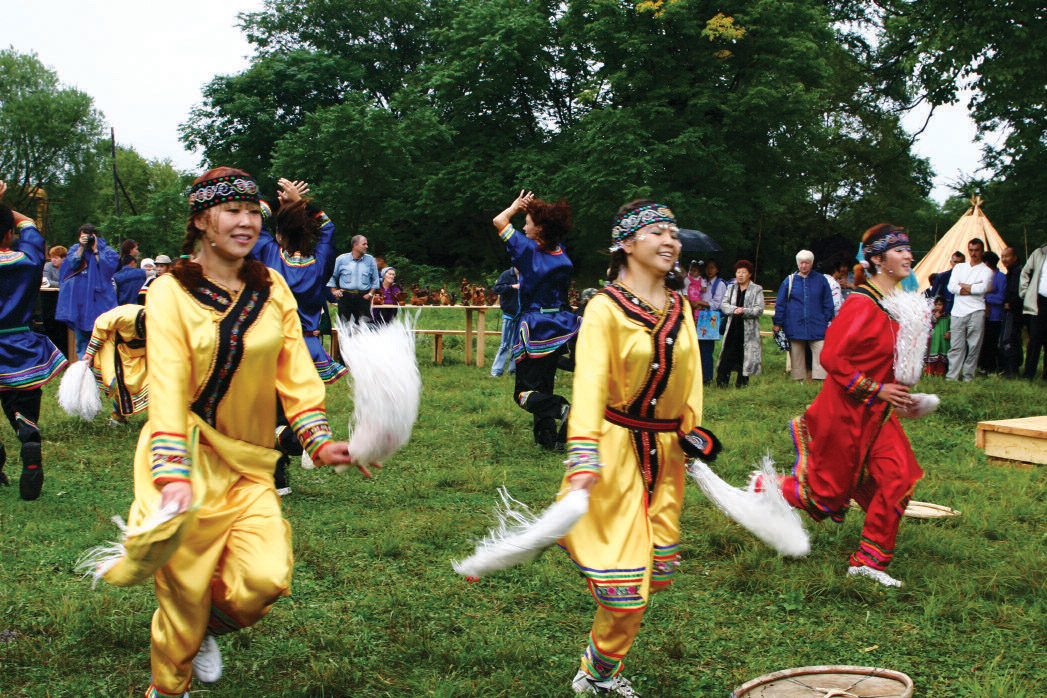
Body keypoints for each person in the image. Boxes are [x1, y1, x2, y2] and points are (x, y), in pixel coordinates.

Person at [126, 166, 360, 698]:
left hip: (251, 464)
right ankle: (168, 688)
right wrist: (171, 473)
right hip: (187, 458)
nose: (247, 222)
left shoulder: (271, 285)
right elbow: (164, 381)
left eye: (254, 212)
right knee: (183, 593)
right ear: (203, 221)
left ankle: (204, 623)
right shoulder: (169, 292)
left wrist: (318, 439)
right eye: (233, 211)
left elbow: (295, 365)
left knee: (264, 581)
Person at [557, 199, 703, 696]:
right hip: (614, 450)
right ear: (626, 242)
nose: (670, 241)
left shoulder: (681, 308)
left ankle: (599, 667)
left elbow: (692, 376)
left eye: (674, 233)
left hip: (667, 454)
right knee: (625, 589)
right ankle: (596, 673)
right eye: (657, 231)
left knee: (657, 571)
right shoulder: (604, 307)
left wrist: (692, 431)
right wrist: (583, 453)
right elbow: (590, 383)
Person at [758, 224, 923, 588]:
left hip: (876, 416)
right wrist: (877, 389)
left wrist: (905, 397)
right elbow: (832, 358)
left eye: (908, 248)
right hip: (844, 413)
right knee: (825, 497)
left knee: (899, 479)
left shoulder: (895, 305)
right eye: (899, 250)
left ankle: (868, 562)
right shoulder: (861, 303)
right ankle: (766, 489)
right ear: (878, 260)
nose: (908, 255)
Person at [492, 191, 580, 450]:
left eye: (528, 222)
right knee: (544, 384)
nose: (523, 226)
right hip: (561, 324)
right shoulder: (561, 252)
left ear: (539, 229)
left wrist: (514, 206)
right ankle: (549, 439)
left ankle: (565, 409)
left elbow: (499, 221)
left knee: (523, 394)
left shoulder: (528, 250)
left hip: (534, 327)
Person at [0, 181, 69, 500]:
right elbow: (31, 228)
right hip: (20, 344)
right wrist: (7, 210)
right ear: (8, 234)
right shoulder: (26, 260)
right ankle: (27, 432)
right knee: (22, 403)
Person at [56, 223, 119, 357]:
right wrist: (81, 247)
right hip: (80, 302)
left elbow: (108, 270)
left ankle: (103, 369)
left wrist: (96, 250)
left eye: (88, 237)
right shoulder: (76, 249)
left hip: (100, 301)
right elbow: (71, 265)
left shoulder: (107, 251)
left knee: (103, 338)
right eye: (83, 237)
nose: (86, 240)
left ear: (95, 236)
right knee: (82, 340)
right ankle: (84, 371)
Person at [772, 250, 834, 381]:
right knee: (797, 353)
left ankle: (820, 379)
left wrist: (826, 318)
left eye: (807, 263)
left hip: (817, 324)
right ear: (797, 263)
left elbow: (828, 301)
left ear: (811, 264)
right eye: (801, 263)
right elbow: (780, 303)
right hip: (795, 323)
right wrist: (777, 322)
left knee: (820, 351)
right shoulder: (789, 280)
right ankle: (799, 379)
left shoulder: (821, 280)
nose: (804, 266)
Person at [946, 238, 993, 381]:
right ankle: (952, 376)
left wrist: (964, 285)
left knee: (974, 345)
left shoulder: (987, 271)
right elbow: (951, 286)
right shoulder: (959, 267)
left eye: (976, 250)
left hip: (977, 310)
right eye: (971, 250)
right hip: (958, 311)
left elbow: (983, 288)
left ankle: (968, 376)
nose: (973, 253)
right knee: (956, 346)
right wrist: (971, 287)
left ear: (982, 251)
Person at [715, 260, 764, 388]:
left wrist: (744, 311)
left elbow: (759, 309)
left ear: (749, 274)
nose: (740, 275)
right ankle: (721, 383)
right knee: (727, 353)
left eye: (743, 272)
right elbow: (723, 305)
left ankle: (742, 384)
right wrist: (733, 310)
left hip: (747, 329)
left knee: (745, 355)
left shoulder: (757, 289)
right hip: (732, 326)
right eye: (738, 272)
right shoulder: (731, 287)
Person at [327, 235, 380, 324]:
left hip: (363, 297)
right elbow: (332, 276)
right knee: (345, 325)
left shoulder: (370, 260)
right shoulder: (341, 259)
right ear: (355, 245)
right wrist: (334, 291)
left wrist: (370, 294)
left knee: (365, 326)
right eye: (364, 244)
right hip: (345, 297)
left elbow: (375, 280)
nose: (366, 246)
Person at [690, 259, 726, 384]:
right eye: (707, 268)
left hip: (710, 320)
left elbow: (717, 304)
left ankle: (707, 377)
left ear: (717, 270)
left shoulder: (719, 284)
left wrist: (701, 303)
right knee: (696, 347)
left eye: (712, 268)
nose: (709, 270)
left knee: (706, 349)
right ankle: (698, 375)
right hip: (697, 317)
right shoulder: (702, 282)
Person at [1020, 240, 1047, 380]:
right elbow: (1025, 272)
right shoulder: (1039, 253)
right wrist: (1025, 293)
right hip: (1040, 301)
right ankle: (1029, 373)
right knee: (1035, 338)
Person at [979, 250, 1006, 374]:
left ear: (987, 263)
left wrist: (985, 296)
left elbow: (1001, 297)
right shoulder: (982, 275)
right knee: (982, 342)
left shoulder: (1000, 277)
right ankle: (983, 366)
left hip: (995, 315)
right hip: (982, 314)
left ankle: (993, 367)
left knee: (992, 341)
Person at [490, 267, 520, 377]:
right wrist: (512, 287)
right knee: (504, 345)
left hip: (521, 315)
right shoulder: (507, 274)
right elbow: (497, 289)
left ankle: (513, 370)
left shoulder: (526, 274)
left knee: (517, 345)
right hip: (509, 315)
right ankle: (496, 371)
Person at [999, 247, 1024, 376]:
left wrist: (1010, 304)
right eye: (1002, 257)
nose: (1004, 259)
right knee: (1013, 338)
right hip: (1013, 311)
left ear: (1014, 257)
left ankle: (1011, 368)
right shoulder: (1010, 273)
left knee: (1007, 339)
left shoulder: (1017, 273)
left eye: (1007, 256)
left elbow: (1018, 292)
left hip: (1013, 312)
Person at [925, 296, 950, 376]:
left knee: (941, 355)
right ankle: (930, 371)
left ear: (944, 305)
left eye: (940, 304)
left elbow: (952, 325)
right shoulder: (930, 315)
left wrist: (949, 332)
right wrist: (935, 317)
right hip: (933, 339)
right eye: (936, 304)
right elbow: (927, 324)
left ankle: (940, 371)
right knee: (933, 353)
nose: (938, 306)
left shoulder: (947, 316)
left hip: (943, 339)